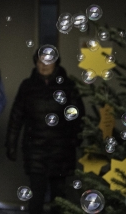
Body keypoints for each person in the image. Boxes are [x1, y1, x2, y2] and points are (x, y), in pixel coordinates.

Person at [5, 51, 85, 214]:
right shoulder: (27, 86)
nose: (43, 65)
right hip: (35, 148)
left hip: (61, 148)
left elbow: (78, 115)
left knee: (59, 197)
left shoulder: (68, 86)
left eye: (48, 61)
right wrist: (10, 144)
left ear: (56, 63)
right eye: (40, 61)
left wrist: (75, 139)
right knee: (37, 194)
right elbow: (16, 116)